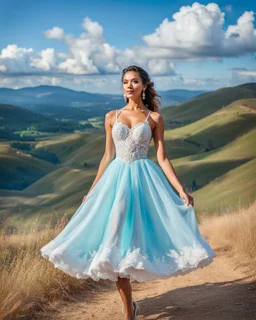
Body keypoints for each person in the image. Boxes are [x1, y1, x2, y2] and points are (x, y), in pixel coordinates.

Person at [40, 65, 216, 320]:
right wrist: (92, 191)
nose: (129, 85)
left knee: (140, 239)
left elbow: (163, 158)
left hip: (144, 181)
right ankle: (129, 313)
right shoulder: (111, 116)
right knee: (113, 239)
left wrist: (181, 191)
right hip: (116, 181)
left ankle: (130, 309)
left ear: (144, 86)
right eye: (125, 81)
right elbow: (107, 156)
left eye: (134, 81)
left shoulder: (154, 119)